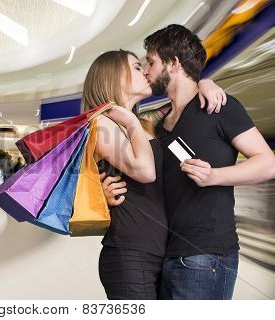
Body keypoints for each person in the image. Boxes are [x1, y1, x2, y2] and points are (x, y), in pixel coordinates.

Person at [103, 24, 274, 300]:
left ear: (173, 63)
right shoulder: (160, 126)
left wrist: (215, 176)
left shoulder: (219, 106)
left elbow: (268, 163)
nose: (146, 70)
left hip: (206, 255)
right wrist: (107, 193)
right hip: (167, 255)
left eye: (151, 62)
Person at [82, 49, 225, 300]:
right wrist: (131, 123)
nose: (146, 72)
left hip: (160, 251)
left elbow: (183, 98)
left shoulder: (144, 124)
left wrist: (205, 82)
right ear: (114, 76)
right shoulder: (102, 123)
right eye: (137, 67)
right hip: (129, 251)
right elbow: (145, 172)